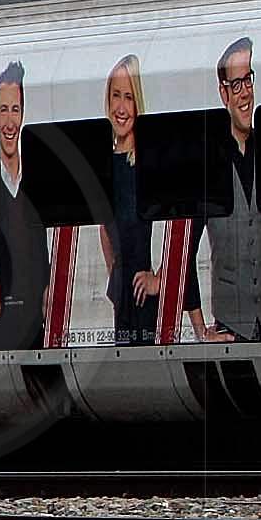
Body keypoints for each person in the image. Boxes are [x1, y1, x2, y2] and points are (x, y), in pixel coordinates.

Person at [190, 36, 261, 343]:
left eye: (248, 81)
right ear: (223, 93)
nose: (244, 93)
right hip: (229, 327)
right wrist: (201, 330)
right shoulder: (208, 164)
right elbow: (184, 254)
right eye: (236, 84)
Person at [0, 62, 49, 350]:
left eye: (15, 110)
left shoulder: (36, 175)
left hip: (35, 322)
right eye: (3, 110)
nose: (9, 122)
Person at [97, 55, 160, 343]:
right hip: (121, 297)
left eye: (129, 97)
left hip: (151, 306)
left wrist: (160, 279)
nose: (121, 107)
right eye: (116, 96)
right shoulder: (106, 166)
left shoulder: (151, 164)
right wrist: (115, 276)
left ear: (138, 104)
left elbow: (179, 226)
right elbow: (104, 227)